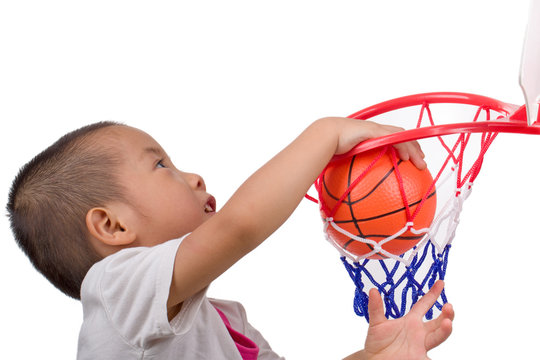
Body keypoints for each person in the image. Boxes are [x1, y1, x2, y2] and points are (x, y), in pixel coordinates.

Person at [7, 117, 454, 359]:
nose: (194, 177)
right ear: (112, 226)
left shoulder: (227, 325)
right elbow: (240, 226)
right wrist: (326, 134)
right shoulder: (114, 289)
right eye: (162, 166)